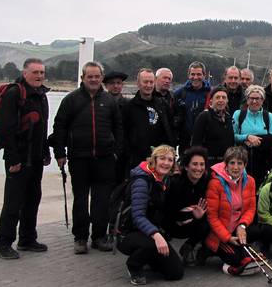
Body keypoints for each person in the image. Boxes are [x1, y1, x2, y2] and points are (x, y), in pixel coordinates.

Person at [50, 61, 123, 254]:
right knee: (81, 200)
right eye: (89, 76)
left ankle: (98, 237)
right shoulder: (71, 100)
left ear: (101, 78)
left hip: (105, 158)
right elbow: (59, 127)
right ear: (83, 78)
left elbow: (118, 128)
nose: (93, 79)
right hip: (79, 158)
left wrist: (117, 150)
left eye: (97, 76)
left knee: (101, 201)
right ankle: (80, 238)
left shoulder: (109, 101)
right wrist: (59, 153)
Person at [0, 58, 50, 260]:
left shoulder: (41, 95)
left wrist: (45, 152)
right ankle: (3, 244)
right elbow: (5, 129)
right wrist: (13, 158)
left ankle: (27, 238)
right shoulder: (14, 94)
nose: (39, 76)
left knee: (33, 199)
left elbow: (42, 127)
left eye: (42, 72)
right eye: (35, 72)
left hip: (35, 159)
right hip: (17, 160)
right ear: (25, 73)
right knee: (13, 203)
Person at [118, 145, 184, 285]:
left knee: (175, 272)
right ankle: (134, 266)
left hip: (148, 232)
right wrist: (156, 234)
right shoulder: (142, 181)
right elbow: (138, 216)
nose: (166, 163)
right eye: (162, 158)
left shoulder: (164, 179)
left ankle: (149, 257)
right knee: (151, 244)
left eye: (170, 160)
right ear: (154, 160)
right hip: (128, 233)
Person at [206, 146, 260, 276]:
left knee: (256, 233)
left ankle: (242, 255)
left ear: (245, 165)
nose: (236, 167)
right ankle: (225, 264)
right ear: (226, 164)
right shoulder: (215, 183)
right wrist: (228, 237)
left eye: (240, 163)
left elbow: (251, 208)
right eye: (232, 163)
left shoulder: (250, 181)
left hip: (236, 227)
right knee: (236, 259)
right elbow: (212, 217)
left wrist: (242, 226)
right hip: (220, 233)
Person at [164, 147, 210, 266]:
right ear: (186, 166)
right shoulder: (175, 183)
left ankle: (189, 247)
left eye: (202, 164)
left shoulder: (206, 183)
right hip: (172, 226)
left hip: (194, 223)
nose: (199, 168)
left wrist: (198, 216)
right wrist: (192, 214)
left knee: (208, 223)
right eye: (194, 164)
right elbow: (169, 213)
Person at [122, 69, 176, 168]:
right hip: (137, 160)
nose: (149, 85)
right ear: (138, 83)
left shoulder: (162, 105)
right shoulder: (129, 107)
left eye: (151, 82)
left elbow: (171, 129)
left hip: (160, 160)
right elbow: (124, 135)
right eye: (145, 82)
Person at [233, 85, 272, 185]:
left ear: (262, 100)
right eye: (251, 98)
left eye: (257, 98)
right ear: (247, 99)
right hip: (242, 161)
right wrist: (247, 137)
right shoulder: (239, 114)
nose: (254, 101)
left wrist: (256, 142)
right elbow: (233, 135)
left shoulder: (269, 116)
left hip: (264, 162)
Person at [173, 61, 211, 154]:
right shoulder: (179, 93)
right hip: (184, 141)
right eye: (192, 74)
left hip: (205, 140)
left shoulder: (211, 93)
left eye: (199, 74)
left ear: (204, 75)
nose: (195, 77)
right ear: (188, 75)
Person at [190, 87, 234, 166]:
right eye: (217, 97)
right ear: (211, 101)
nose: (221, 100)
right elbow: (196, 142)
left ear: (227, 101)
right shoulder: (204, 116)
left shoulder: (228, 117)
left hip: (225, 162)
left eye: (224, 98)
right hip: (208, 162)